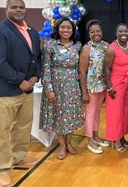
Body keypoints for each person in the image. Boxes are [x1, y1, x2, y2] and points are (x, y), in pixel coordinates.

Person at [0, 0, 41, 187]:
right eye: (14, 7)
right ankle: (3, 169)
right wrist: (19, 80)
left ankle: (18, 157)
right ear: (6, 10)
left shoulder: (32, 32)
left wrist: (35, 77)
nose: (18, 10)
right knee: (2, 131)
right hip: (4, 91)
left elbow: (36, 58)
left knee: (22, 127)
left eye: (21, 7)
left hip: (27, 90)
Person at [40, 17, 84, 160]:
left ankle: (69, 142)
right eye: (63, 27)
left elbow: (80, 68)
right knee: (59, 116)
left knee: (71, 116)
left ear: (73, 30)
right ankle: (62, 145)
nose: (66, 30)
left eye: (69, 28)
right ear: (58, 29)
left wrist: (82, 88)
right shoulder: (50, 45)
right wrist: (49, 89)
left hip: (73, 86)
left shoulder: (77, 46)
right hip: (56, 86)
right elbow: (45, 68)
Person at [79, 19, 109, 154]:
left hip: (102, 86)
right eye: (93, 31)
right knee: (90, 113)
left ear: (102, 32)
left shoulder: (106, 46)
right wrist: (84, 91)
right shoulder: (87, 48)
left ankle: (96, 136)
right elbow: (82, 71)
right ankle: (89, 140)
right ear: (89, 33)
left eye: (98, 31)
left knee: (97, 112)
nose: (96, 33)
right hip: (91, 86)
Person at [104, 23, 128, 152]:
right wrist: (109, 88)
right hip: (116, 85)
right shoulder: (111, 48)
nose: (123, 34)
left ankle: (121, 136)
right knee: (115, 113)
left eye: (125, 31)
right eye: (120, 31)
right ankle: (115, 139)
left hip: (127, 83)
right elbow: (106, 69)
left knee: (125, 111)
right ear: (116, 33)